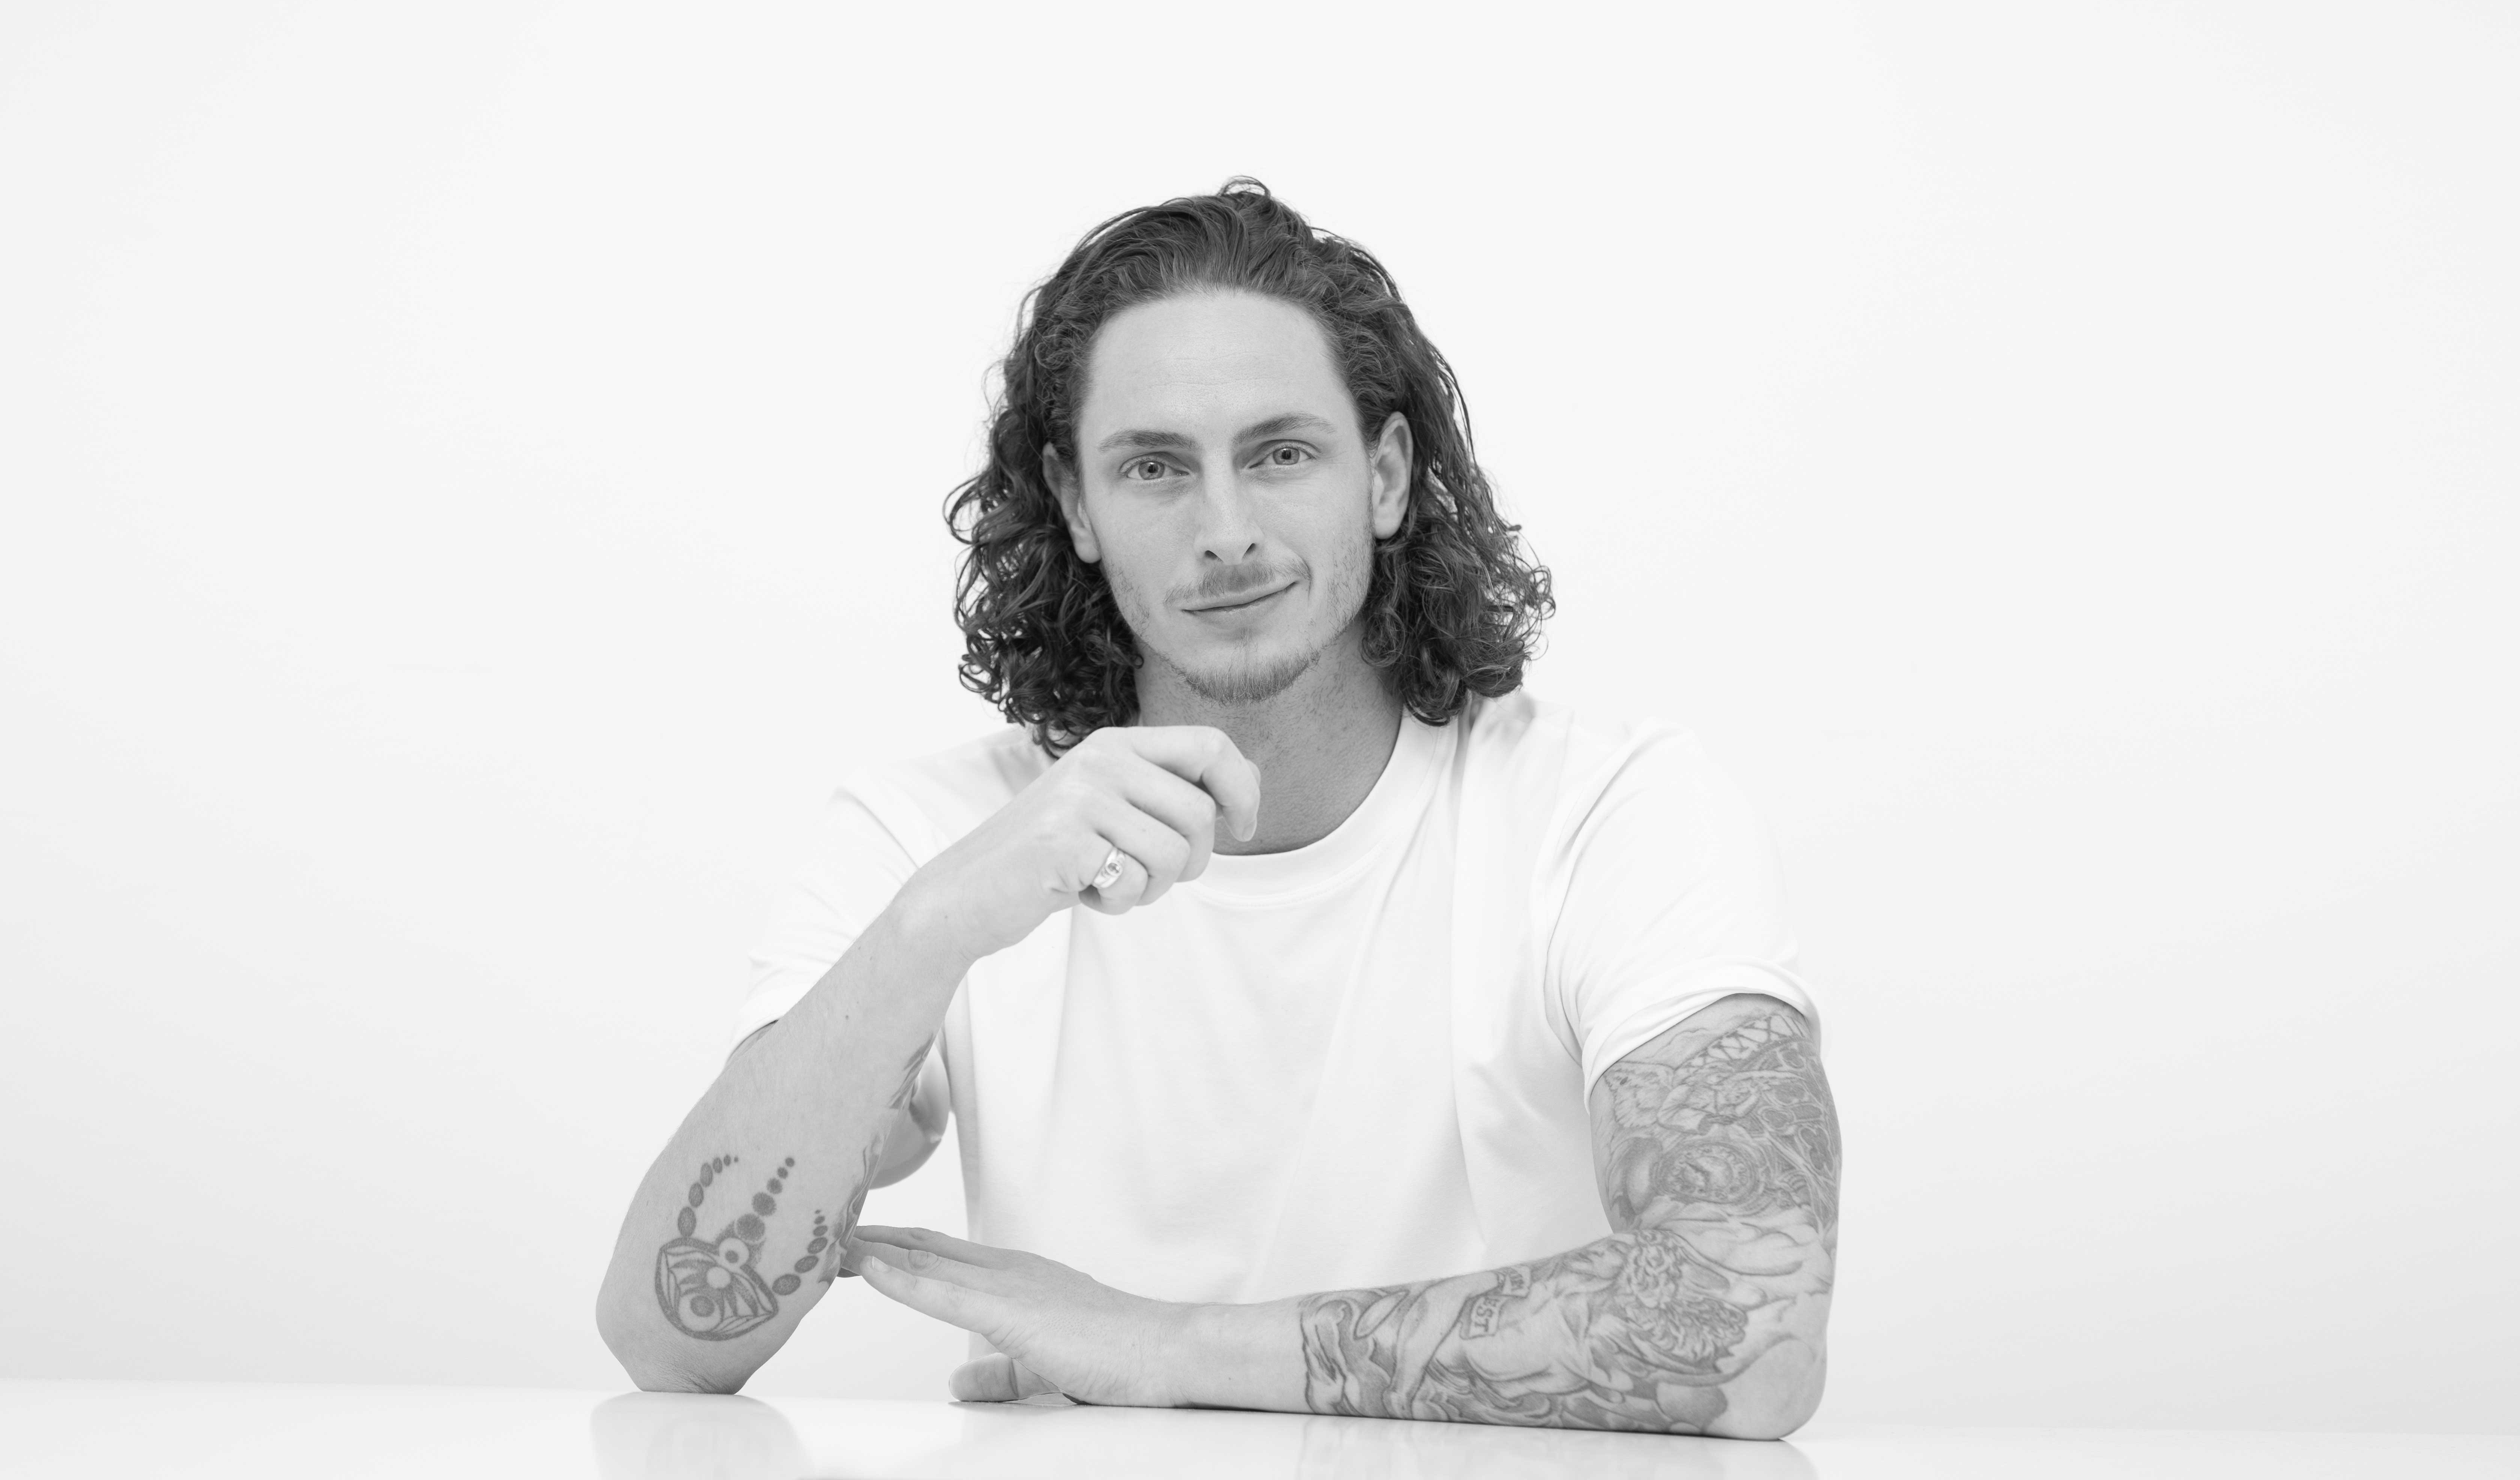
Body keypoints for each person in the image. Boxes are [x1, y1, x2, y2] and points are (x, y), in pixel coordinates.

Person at [595, 180, 1838, 1438]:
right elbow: (669, 1341)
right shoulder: (935, 837)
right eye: (1154, 468)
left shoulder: (1609, 814)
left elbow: (1749, 1327)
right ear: (1076, 505)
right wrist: (934, 931)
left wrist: (1163, 1348)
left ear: (1387, 475)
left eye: (1281, 454)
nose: (1227, 531)